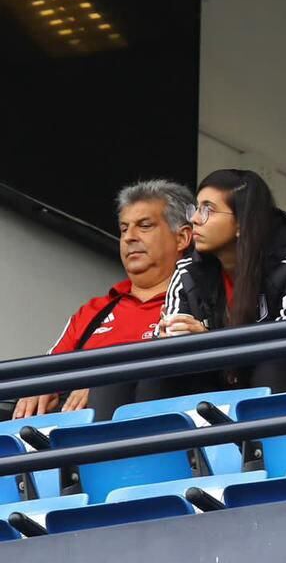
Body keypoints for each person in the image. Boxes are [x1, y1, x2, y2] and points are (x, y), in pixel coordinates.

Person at [13, 180, 194, 421]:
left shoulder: (196, 301)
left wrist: (103, 385)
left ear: (182, 238)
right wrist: (37, 390)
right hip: (68, 434)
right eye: (124, 229)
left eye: (145, 226)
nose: (129, 237)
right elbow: (47, 376)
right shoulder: (93, 311)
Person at [160, 168, 286, 391]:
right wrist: (168, 335)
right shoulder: (187, 270)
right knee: (151, 377)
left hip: (282, 384)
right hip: (214, 381)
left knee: (273, 367)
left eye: (207, 210)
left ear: (241, 223)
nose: (194, 219)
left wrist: (210, 342)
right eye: (196, 209)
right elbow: (166, 349)